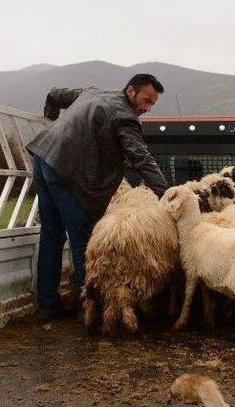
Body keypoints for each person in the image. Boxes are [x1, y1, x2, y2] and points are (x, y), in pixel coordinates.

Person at [26, 74, 169, 320]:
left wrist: (51, 120)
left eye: (152, 104)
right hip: (65, 170)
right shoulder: (125, 117)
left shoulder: (91, 92)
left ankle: (48, 305)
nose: (146, 108)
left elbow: (54, 94)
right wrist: (167, 195)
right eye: (145, 101)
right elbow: (140, 158)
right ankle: (88, 308)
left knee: (51, 232)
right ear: (131, 91)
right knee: (83, 236)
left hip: (42, 157)